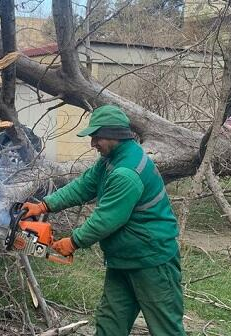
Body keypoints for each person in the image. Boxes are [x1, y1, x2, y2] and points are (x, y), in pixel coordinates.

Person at [22, 105, 186, 336]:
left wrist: (74, 241)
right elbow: (84, 185)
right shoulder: (113, 158)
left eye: (96, 137)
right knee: (110, 325)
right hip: (124, 259)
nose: (93, 143)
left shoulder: (126, 172)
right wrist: (45, 205)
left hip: (151, 260)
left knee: (166, 329)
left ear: (114, 134)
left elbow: (107, 219)